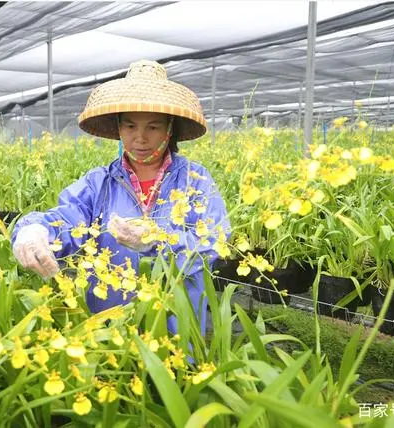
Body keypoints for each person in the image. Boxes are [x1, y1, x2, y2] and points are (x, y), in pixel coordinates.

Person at [11, 60, 230, 335]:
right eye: (129, 126)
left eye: (152, 127)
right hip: (111, 325)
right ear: (118, 129)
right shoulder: (99, 182)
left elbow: (214, 242)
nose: (140, 138)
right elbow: (67, 219)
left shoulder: (194, 179)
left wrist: (156, 240)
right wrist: (34, 230)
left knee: (173, 374)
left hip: (176, 319)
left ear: (169, 129)